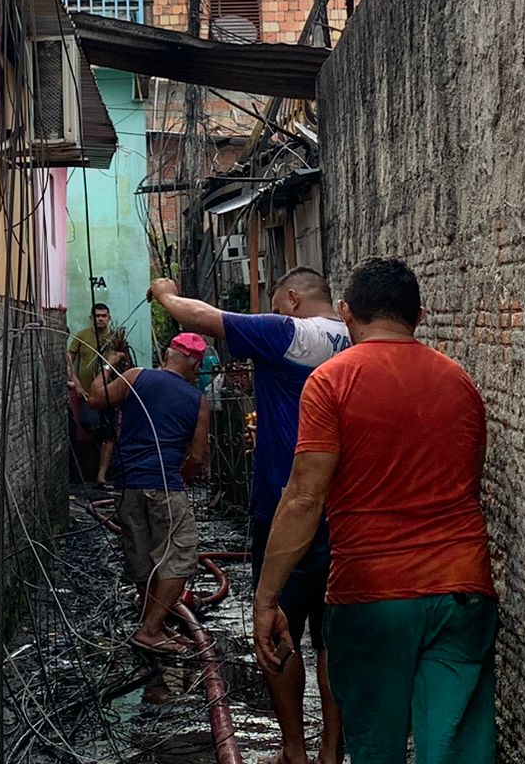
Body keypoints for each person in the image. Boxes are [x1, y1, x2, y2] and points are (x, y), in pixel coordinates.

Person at [252, 258, 497, 764]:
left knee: (376, 747)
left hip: (374, 594)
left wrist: (266, 599)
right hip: (462, 591)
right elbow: (465, 481)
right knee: (454, 747)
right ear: (420, 316)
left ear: (346, 313)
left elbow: (303, 497)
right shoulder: (460, 382)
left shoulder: (331, 381)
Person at [149, 269, 348, 764]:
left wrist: (165, 293)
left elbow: (200, 317)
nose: (275, 312)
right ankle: (331, 751)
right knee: (334, 638)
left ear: (294, 299)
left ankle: (294, 751)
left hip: (285, 508)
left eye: (279, 303)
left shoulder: (289, 332)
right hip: (347, 512)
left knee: (277, 626)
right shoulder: (355, 336)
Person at [80, 331, 210, 656]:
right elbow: (197, 457)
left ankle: (152, 622)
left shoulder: (137, 377)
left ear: (168, 355)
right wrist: (176, 478)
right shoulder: (197, 400)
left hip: (126, 484)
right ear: (195, 367)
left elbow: (95, 397)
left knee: (142, 555)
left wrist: (108, 364)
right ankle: (150, 629)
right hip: (165, 484)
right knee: (179, 557)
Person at [67, 303, 131, 486]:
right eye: (97, 316)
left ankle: (101, 476)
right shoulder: (83, 336)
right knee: (90, 422)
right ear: (91, 318)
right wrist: (76, 383)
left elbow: (125, 364)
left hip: (110, 394)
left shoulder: (114, 339)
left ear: (109, 318)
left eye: (104, 316)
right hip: (88, 394)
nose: (101, 319)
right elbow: (69, 358)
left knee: (109, 434)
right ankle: (95, 456)